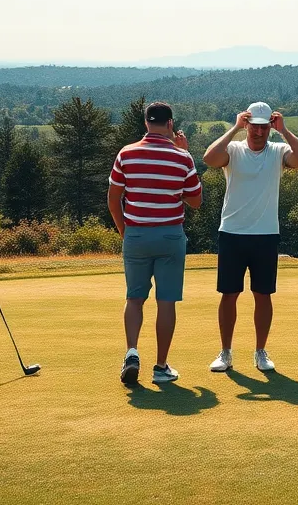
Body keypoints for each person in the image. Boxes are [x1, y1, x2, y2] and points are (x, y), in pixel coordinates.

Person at [202, 102, 298, 373]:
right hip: (232, 232)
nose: (259, 132)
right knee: (229, 294)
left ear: (270, 127)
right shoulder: (233, 149)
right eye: (255, 126)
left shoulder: (278, 151)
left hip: (265, 234)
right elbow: (209, 158)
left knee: (263, 295)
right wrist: (234, 128)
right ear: (247, 125)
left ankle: (260, 351)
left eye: (264, 127)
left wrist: (285, 130)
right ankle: (226, 352)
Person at [108, 101, 202, 385]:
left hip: (136, 233)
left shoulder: (127, 153)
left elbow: (114, 200)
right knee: (166, 301)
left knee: (134, 297)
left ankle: (132, 352)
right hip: (170, 235)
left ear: (146, 124)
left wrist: (126, 232)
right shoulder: (181, 156)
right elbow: (196, 201)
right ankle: (161, 368)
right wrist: (184, 151)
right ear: (170, 124)